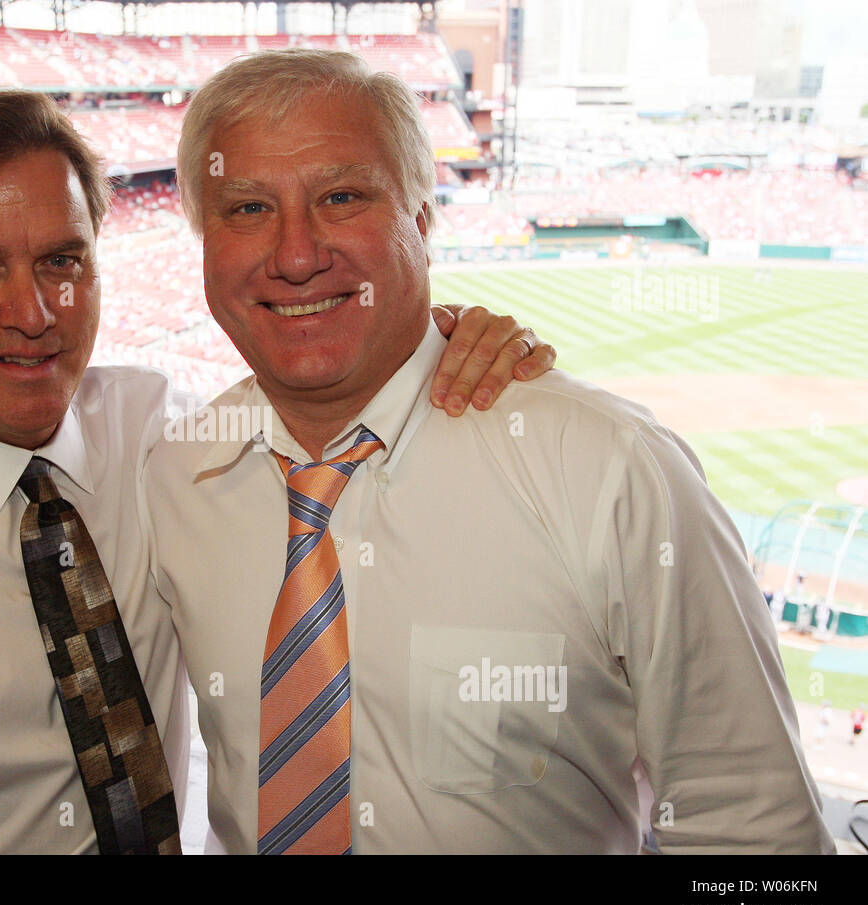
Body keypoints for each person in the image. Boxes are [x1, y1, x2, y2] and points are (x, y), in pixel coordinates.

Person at [0, 90, 552, 853]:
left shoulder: (163, 435)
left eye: (61, 262)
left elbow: (337, 377)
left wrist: (449, 333)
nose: (31, 314)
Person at [144, 49, 835, 854]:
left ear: (422, 225)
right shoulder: (170, 477)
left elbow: (758, 838)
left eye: (341, 197)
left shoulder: (610, 469)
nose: (297, 255)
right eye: (247, 208)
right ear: (201, 239)